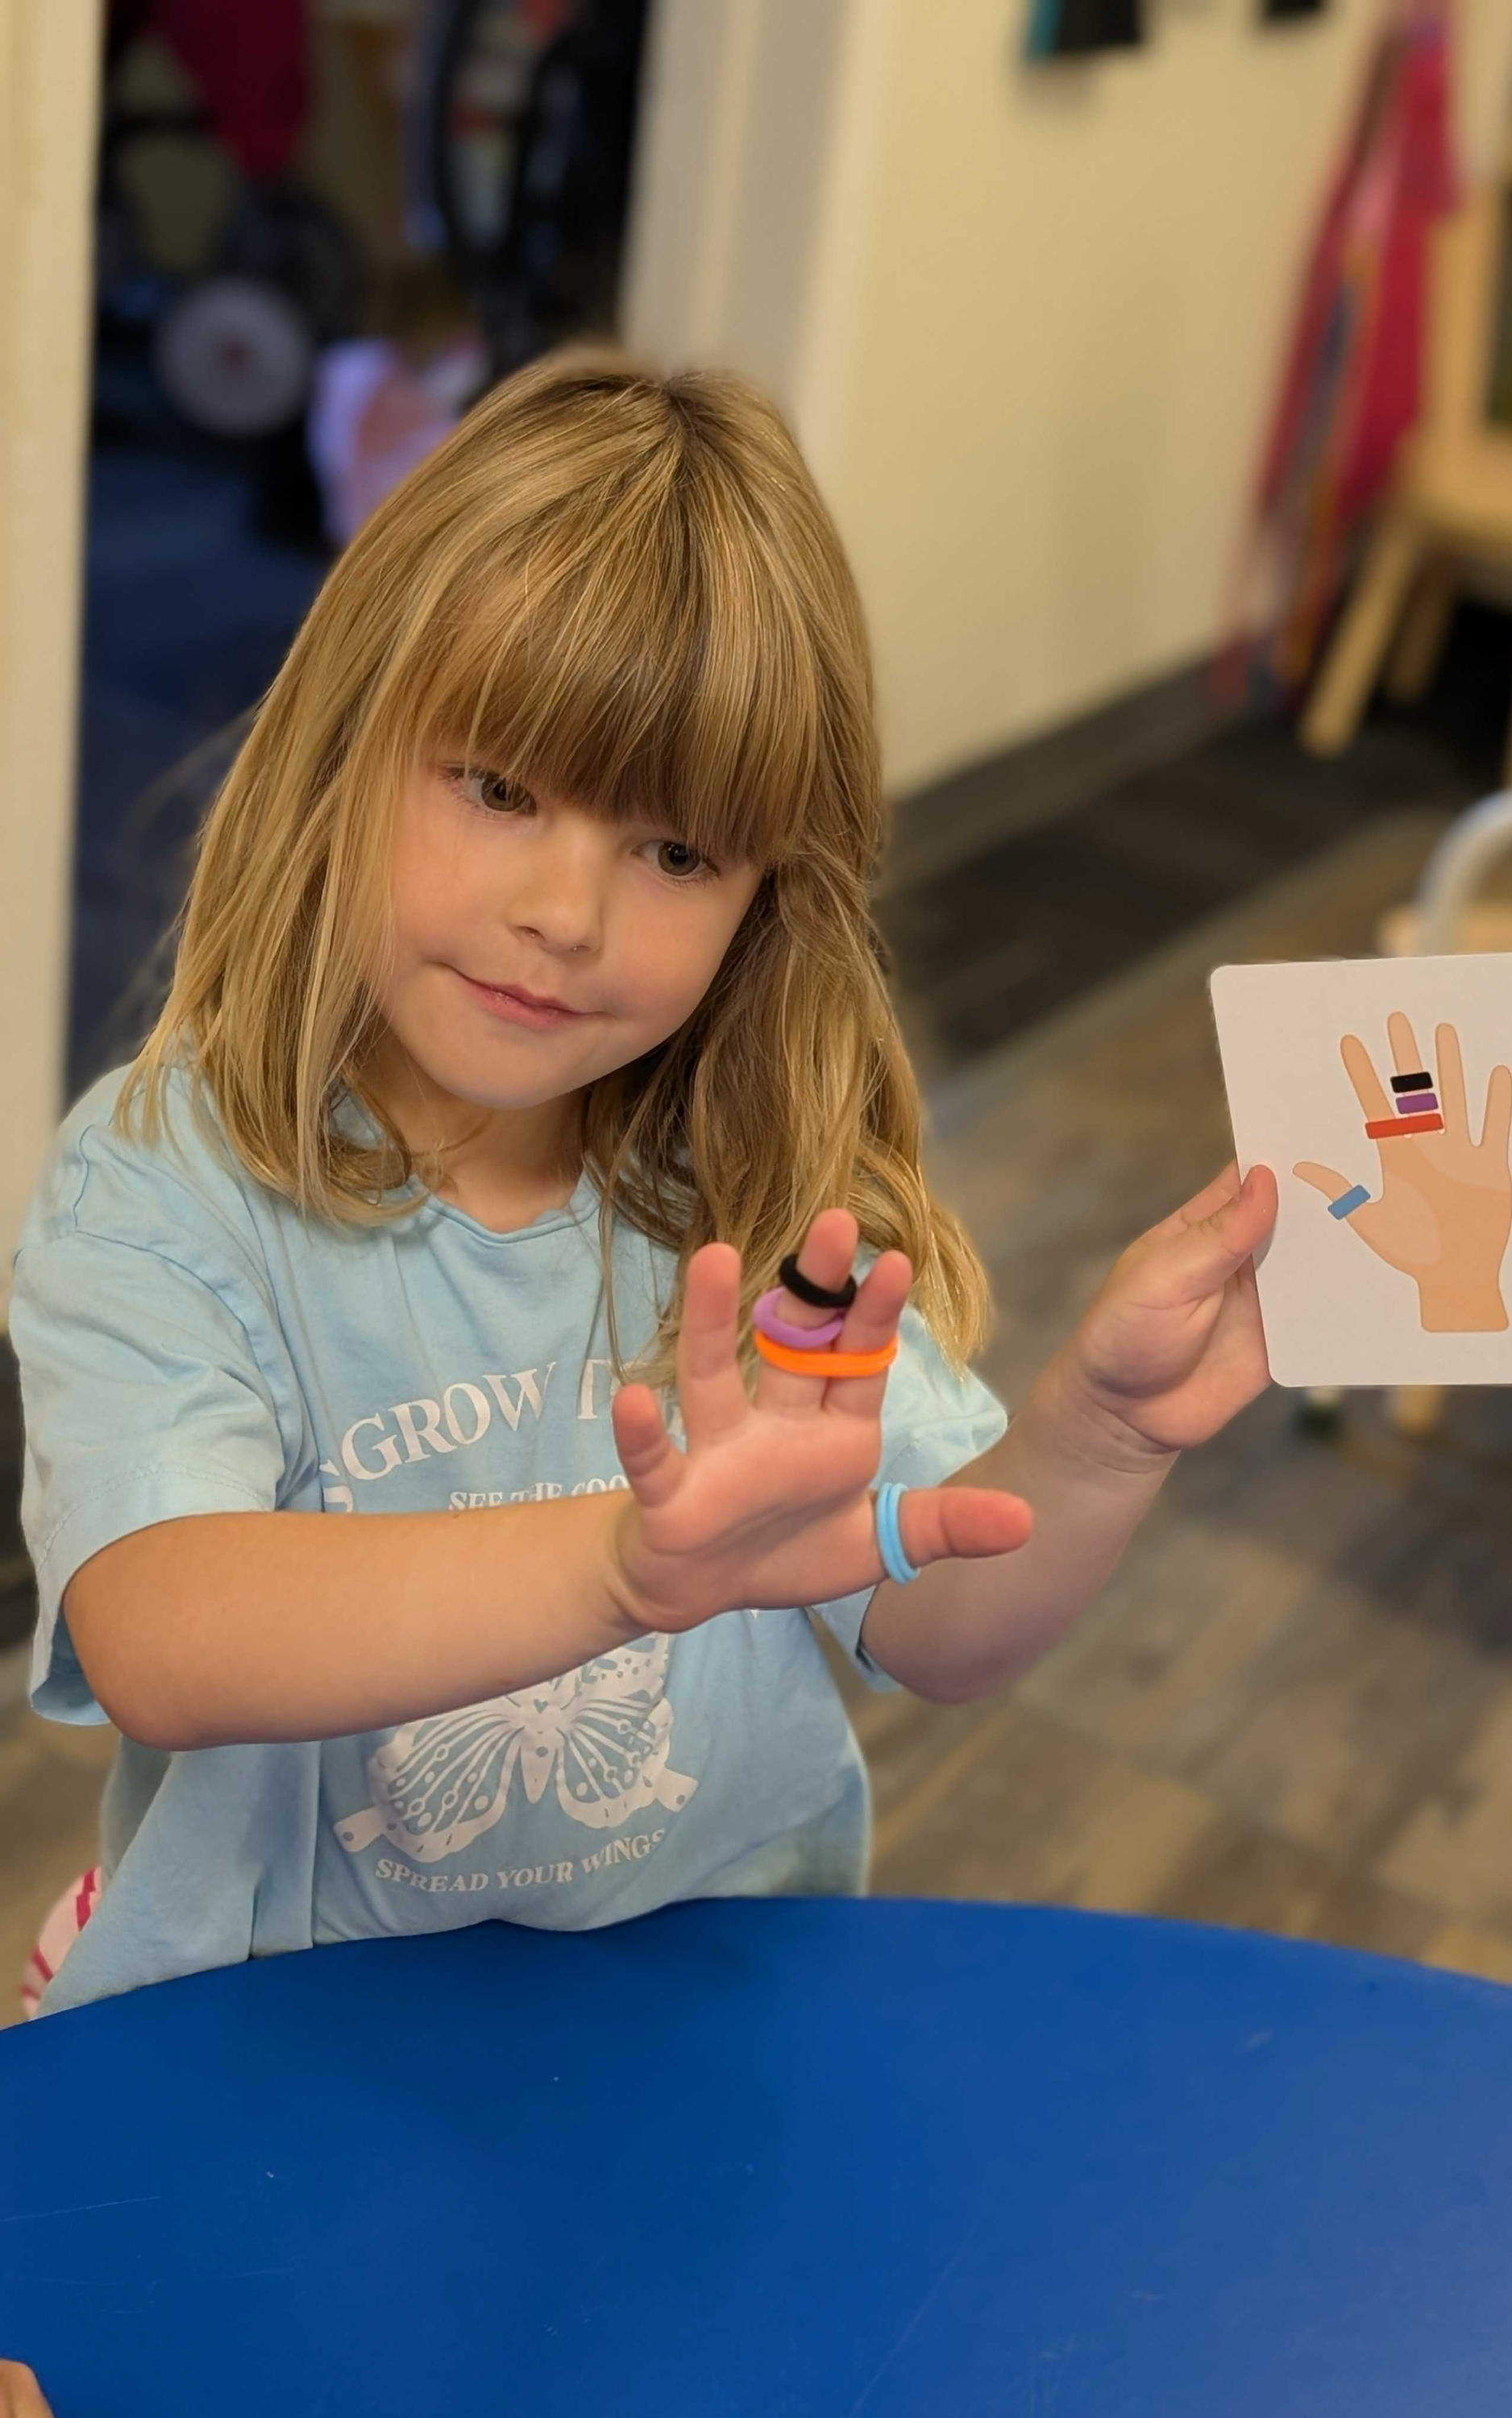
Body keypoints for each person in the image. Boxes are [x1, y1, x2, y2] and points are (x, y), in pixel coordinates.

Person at [8, 348, 1276, 2027]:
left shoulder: (756, 1197)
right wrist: (627, 1566)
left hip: (679, 2032)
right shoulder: (166, 1180)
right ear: (344, 750)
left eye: (675, 853)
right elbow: (166, 1630)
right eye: (499, 788)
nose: (569, 912)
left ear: (765, 898)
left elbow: (936, 1626)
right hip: (279, 2045)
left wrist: (1101, 1438)